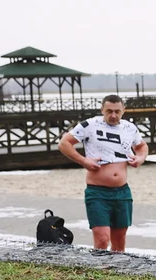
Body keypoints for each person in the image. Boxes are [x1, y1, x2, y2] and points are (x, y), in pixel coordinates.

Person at [57, 94, 148, 251]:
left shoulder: (129, 128)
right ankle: (101, 270)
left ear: (123, 110)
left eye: (117, 111)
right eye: (109, 111)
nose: (113, 115)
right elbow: (64, 143)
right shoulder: (89, 125)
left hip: (122, 192)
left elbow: (141, 146)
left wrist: (141, 158)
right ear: (102, 110)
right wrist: (83, 161)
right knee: (102, 239)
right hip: (97, 192)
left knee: (119, 239)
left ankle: (116, 272)